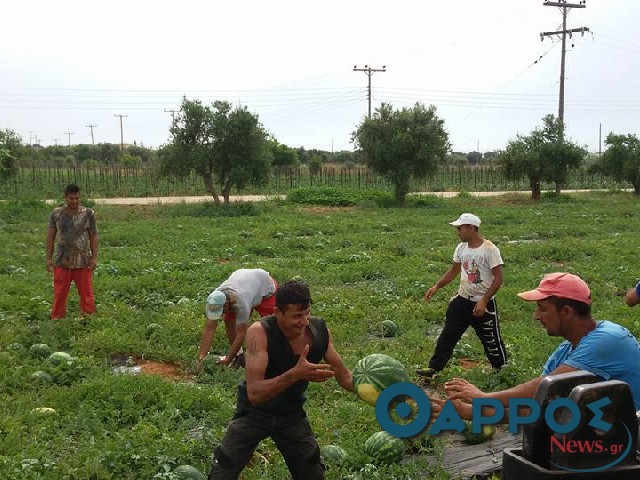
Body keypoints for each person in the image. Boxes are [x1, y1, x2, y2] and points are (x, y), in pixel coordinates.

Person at [207, 280, 353, 480]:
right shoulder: (259, 333)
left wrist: (382, 396)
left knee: (311, 471)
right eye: (297, 316)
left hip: (290, 413)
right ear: (277, 312)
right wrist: (295, 373)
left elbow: (345, 377)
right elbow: (255, 393)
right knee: (224, 467)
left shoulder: (319, 333)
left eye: (307, 313)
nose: (304, 322)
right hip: (253, 413)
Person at [444, 272, 640, 419]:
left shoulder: (608, 339)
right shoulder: (565, 352)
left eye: (543, 309)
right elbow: (534, 405)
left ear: (566, 311)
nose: (536, 316)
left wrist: (483, 397)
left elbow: (539, 388)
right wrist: (467, 411)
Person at [416, 213, 507, 379]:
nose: (458, 232)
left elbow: (499, 279)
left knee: (492, 342)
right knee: (447, 336)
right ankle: (433, 369)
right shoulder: (461, 248)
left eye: (460, 228)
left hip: (483, 305)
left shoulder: (489, 249)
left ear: (471, 228)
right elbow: (454, 271)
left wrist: (484, 301)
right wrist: (437, 286)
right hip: (462, 301)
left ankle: (503, 373)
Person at [198, 268, 277, 368]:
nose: (221, 315)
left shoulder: (241, 302)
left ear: (227, 304)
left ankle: (273, 358)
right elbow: (209, 328)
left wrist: (227, 359)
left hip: (265, 287)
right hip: (246, 285)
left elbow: (241, 334)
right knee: (229, 321)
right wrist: (201, 358)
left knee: (272, 326)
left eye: (222, 311)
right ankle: (239, 356)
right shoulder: (215, 298)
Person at [45, 184, 98, 319]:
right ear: (65, 197)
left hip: (83, 261)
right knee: (60, 294)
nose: (74, 201)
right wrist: (49, 259)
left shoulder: (88, 213)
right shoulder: (56, 213)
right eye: (71, 198)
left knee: (87, 294)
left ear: (80, 197)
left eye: (77, 198)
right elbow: (50, 236)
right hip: (62, 262)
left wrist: (94, 258)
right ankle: (57, 319)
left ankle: (88, 318)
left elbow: (93, 236)